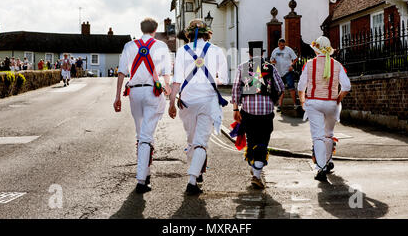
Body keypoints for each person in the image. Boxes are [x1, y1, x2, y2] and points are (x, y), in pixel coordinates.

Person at [169, 19, 228, 195]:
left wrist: (171, 103)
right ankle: (193, 179)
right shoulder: (217, 51)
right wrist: (211, 81)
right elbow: (223, 79)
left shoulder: (181, 51)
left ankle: (196, 172)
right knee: (201, 141)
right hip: (208, 101)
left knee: (191, 139)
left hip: (187, 101)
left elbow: (177, 80)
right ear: (207, 33)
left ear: (188, 33)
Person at [114, 18, 172, 194]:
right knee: (146, 135)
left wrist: (117, 97)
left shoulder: (129, 46)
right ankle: (141, 180)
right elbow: (167, 73)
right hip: (152, 92)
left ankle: (146, 175)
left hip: (135, 93)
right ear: (155, 30)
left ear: (141, 29)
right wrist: (169, 94)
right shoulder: (161, 46)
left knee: (141, 134)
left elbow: (122, 72)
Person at [298, 36, 351, 182]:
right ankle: (327, 163)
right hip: (331, 103)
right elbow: (346, 86)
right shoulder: (337, 65)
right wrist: (338, 99)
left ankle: (320, 168)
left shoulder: (309, 65)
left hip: (314, 103)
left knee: (318, 136)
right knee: (328, 134)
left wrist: (302, 101)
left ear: (316, 49)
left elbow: (301, 86)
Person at [232, 41, 284, 189]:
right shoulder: (270, 67)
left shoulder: (242, 67)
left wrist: (235, 110)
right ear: (262, 53)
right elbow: (280, 87)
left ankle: (255, 168)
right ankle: (256, 174)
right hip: (266, 112)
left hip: (248, 112)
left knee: (252, 141)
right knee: (263, 142)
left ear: (249, 54)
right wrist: (273, 100)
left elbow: (236, 89)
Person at [270, 39, 299, 111]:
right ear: (278, 44)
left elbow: (295, 58)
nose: (282, 46)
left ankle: (295, 104)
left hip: (288, 72)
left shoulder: (289, 50)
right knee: (280, 89)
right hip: (279, 72)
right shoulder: (275, 51)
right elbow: (271, 60)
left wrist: (292, 65)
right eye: (281, 45)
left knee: (291, 88)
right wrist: (273, 61)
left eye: (283, 45)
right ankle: (279, 105)